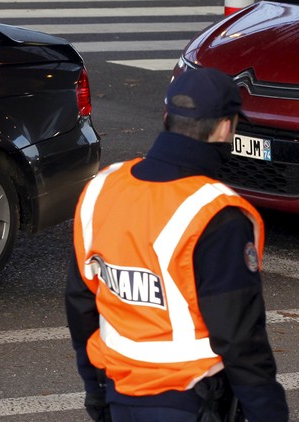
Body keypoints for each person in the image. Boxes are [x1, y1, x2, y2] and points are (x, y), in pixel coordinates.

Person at [66, 67, 289, 422]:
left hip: (119, 392)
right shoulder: (216, 214)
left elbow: (81, 303)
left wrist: (95, 390)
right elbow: (240, 340)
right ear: (225, 128)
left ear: (168, 116)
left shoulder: (102, 189)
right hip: (191, 399)